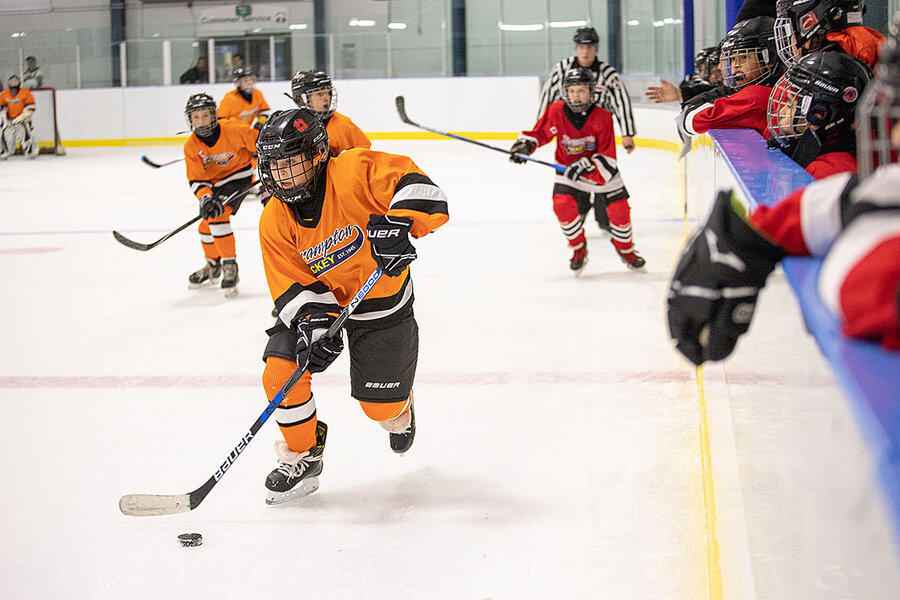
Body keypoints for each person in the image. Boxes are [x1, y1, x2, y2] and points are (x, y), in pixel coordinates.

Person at [666, 27, 900, 365]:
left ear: (821, 114)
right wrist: (748, 235)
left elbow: (864, 289)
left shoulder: (835, 170)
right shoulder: (854, 186)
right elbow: (836, 204)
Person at [254, 108, 449, 505]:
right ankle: (304, 456)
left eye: (290, 162)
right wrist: (313, 326)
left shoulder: (354, 169)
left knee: (383, 412)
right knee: (280, 375)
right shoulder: (273, 219)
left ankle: (402, 406)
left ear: (317, 154)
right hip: (324, 303)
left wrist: (399, 225)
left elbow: (423, 190)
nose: (281, 175)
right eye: (274, 166)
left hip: (380, 305)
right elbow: (291, 284)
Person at [510, 67, 645, 274]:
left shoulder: (603, 116)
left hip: (602, 174)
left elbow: (607, 157)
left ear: (591, 92)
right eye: (572, 91)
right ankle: (579, 248)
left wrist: (585, 166)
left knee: (619, 211)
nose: (576, 96)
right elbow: (541, 132)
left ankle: (625, 250)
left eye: (581, 91)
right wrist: (525, 145)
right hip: (568, 172)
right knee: (561, 204)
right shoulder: (556, 110)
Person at [537, 26, 637, 234]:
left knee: (602, 174)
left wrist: (627, 133)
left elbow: (621, 101)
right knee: (573, 172)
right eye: (581, 47)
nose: (585, 51)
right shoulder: (561, 69)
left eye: (589, 47)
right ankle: (579, 209)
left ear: (596, 48)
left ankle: (605, 218)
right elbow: (547, 98)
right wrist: (541, 129)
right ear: (575, 48)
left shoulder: (608, 74)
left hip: (599, 136)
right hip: (571, 134)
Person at [182, 93, 260, 297]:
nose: (200, 121)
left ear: (214, 115)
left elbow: (260, 145)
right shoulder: (191, 146)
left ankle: (229, 265)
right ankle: (213, 266)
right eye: (195, 117)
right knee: (204, 226)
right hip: (215, 185)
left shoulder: (234, 129)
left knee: (218, 216)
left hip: (239, 177)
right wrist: (206, 198)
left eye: (205, 116)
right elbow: (197, 180)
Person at [767, 51, 871, 178]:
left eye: (789, 105)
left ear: (819, 115)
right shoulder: (813, 156)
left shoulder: (829, 171)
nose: (782, 112)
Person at [678, 16, 784, 142]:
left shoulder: (755, 96)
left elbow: (690, 121)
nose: (735, 66)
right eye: (733, 59)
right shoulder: (780, 87)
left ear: (770, 57)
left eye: (744, 57)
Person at [774, 0, 883, 68]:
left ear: (809, 21)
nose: (792, 40)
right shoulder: (876, 50)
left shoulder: (832, 71)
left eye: (792, 30)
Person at [290, 69, 371, 156]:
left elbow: (364, 154)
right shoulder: (293, 127)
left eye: (329, 93)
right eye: (320, 94)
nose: (327, 98)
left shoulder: (344, 124)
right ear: (302, 99)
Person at [0, 75, 37, 160]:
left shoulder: (25, 92)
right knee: (5, 135)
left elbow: (31, 106)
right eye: (11, 82)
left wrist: (25, 114)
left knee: (25, 134)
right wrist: (3, 114)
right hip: (9, 121)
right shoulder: (5, 93)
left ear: (19, 83)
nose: (13, 83)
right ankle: (5, 151)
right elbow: (1, 105)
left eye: (15, 82)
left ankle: (30, 150)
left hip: (21, 120)